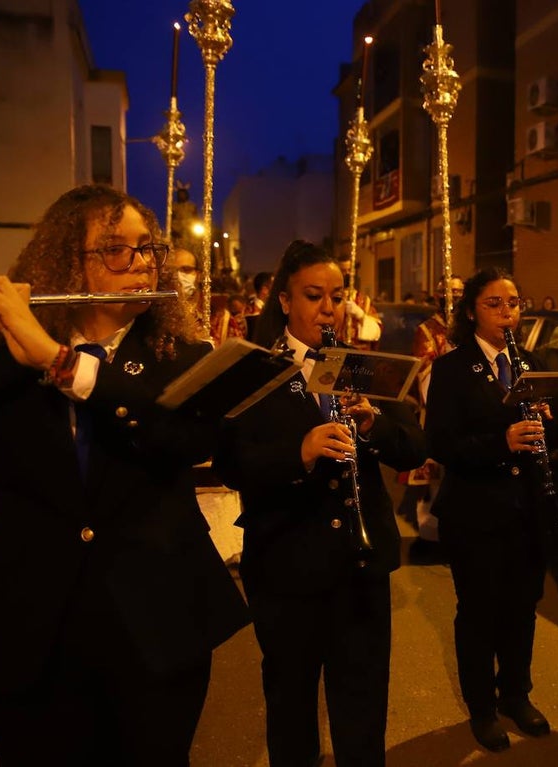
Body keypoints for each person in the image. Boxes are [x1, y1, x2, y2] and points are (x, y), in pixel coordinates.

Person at [0, 185, 250, 765]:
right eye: (117, 249)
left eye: (147, 249)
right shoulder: (4, 358)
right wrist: (6, 355)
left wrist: (59, 361)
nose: (141, 263)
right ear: (68, 262)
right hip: (32, 634)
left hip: (156, 629)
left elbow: (185, 439)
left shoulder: (182, 355)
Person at [214, 240, 426, 767]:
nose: (328, 309)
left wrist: (374, 425)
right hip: (286, 564)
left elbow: (414, 447)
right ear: (285, 301)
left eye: (336, 296)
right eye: (313, 296)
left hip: (360, 565)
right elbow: (231, 464)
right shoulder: (254, 370)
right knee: (290, 701)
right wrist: (300, 451)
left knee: (362, 701)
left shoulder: (361, 365)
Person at [424, 268, 555, 753]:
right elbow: (442, 443)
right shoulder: (451, 368)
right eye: (494, 304)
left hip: (527, 508)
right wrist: (502, 441)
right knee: (479, 613)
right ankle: (481, 707)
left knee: (522, 609)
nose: (507, 313)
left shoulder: (530, 362)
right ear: (471, 311)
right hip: (476, 511)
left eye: (514, 303)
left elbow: (548, 436)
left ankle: (516, 694)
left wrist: (548, 420)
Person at [404, 275, 464, 557]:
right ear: (439, 295)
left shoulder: (468, 328)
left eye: (460, 292)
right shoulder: (427, 330)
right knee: (434, 479)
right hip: (437, 411)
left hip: (467, 411)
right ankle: (432, 536)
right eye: (450, 292)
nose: (455, 297)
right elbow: (423, 371)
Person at [336, 255, 381, 349]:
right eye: (343, 271)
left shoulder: (364, 301)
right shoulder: (332, 298)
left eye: (349, 270)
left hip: (358, 350)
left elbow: (377, 330)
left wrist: (360, 314)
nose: (347, 274)